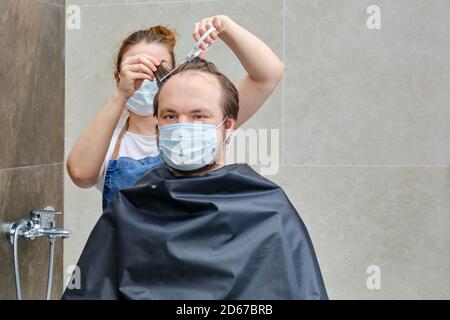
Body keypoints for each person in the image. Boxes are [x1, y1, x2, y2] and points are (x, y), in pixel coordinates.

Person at [62, 58, 328, 300]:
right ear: (157, 126)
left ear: (228, 124)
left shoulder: (269, 210)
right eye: (170, 116)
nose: (182, 126)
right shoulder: (130, 208)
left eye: (198, 116)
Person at [66, 15, 285, 210]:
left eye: (158, 70)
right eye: (137, 70)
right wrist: (121, 95)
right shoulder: (108, 145)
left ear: (171, 76)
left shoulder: (201, 129)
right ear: (119, 78)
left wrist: (226, 27)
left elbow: (268, 74)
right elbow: (79, 173)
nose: (147, 79)